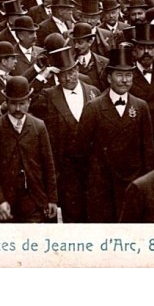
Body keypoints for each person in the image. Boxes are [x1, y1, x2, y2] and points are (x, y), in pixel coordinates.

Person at [79, 43, 154, 222]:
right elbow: (80, 152)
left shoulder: (140, 106)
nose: (124, 80)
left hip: (132, 186)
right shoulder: (93, 108)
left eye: (128, 75)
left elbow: (148, 152)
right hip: (102, 188)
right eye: (119, 75)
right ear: (108, 77)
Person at [31, 45, 100, 223]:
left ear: (77, 69)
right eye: (63, 74)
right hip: (65, 170)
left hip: (92, 168)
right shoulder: (48, 96)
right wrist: (41, 77)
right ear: (56, 75)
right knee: (72, 215)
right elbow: (27, 100)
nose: (69, 77)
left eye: (72, 72)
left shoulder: (92, 92)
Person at [0, 76, 58, 223]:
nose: (17, 109)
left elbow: (48, 164)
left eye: (22, 103)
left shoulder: (38, 126)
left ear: (29, 102)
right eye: (13, 104)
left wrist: (52, 198)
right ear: (6, 103)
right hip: (6, 203)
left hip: (34, 200)